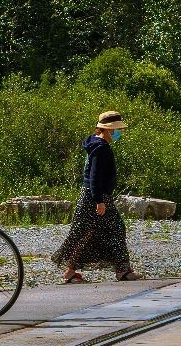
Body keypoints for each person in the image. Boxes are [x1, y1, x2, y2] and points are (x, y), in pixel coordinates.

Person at [53, 110, 137, 283]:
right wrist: (99, 200)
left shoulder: (95, 144)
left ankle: (71, 271)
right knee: (115, 229)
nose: (117, 132)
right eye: (115, 129)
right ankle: (122, 270)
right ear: (107, 130)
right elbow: (94, 176)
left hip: (92, 195)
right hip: (96, 197)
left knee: (86, 233)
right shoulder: (101, 148)